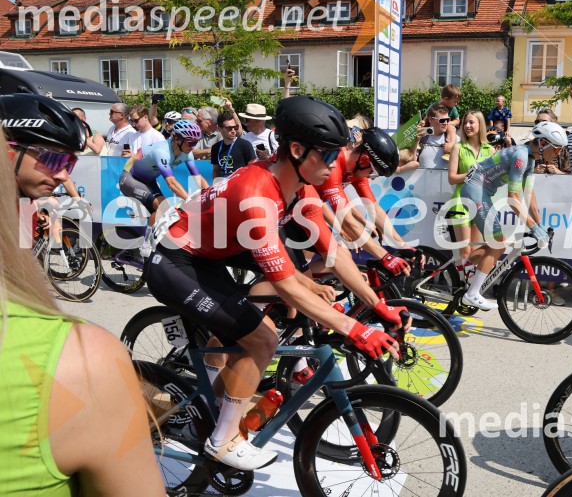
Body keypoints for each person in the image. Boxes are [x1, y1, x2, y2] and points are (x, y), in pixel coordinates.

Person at [144, 95, 400, 470]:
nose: (332, 168)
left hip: (210, 253)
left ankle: (206, 411)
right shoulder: (257, 195)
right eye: (326, 157)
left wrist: (322, 286)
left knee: (262, 322)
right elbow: (283, 282)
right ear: (296, 150)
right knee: (263, 337)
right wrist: (357, 329)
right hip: (175, 260)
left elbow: (325, 249)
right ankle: (223, 440)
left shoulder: (293, 180)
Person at [0, 93, 165, 495]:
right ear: (8, 151)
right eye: (55, 160)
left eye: (70, 163)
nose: (62, 173)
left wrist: (73, 197)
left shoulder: (24, 201)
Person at [459, 121, 569, 310]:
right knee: (499, 241)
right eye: (557, 149)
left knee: (495, 244)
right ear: (543, 144)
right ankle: (472, 293)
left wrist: (540, 225)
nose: (558, 154)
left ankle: (464, 267)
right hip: (475, 189)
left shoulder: (530, 159)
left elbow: (529, 195)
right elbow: (513, 198)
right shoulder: (521, 157)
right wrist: (532, 227)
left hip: (481, 190)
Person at [314, 126, 413, 275]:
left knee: (341, 258)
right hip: (292, 209)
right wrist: (385, 256)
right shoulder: (334, 165)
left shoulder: (357, 172)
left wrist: (403, 246)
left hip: (307, 208)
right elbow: (346, 220)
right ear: (365, 159)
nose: (372, 177)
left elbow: (375, 210)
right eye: (374, 171)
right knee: (334, 262)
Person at [120, 119, 209, 227]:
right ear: (177, 138)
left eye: (196, 142)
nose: (193, 146)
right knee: (164, 207)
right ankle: (147, 243)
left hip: (148, 181)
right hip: (130, 178)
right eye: (190, 142)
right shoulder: (162, 151)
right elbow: (171, 183)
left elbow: (197, 177)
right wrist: (189, 200)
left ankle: (153, 237)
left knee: (164, 212)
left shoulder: (187, 153)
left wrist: (210, 193)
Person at [447, 110, 495, 268]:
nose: (467, 126)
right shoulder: (458, 148)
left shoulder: (490, 150)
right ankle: (462, 287)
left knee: (476, 251)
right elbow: (452, 178)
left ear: (480, 125)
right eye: (465, 122)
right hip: (461, 202)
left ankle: (468, 287)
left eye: (471, 122)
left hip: (481, 201)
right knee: (465, 253)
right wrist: (471, 175)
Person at [211, 111, 256, 180]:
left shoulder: (245, 145)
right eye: (229, 128)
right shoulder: (216, 147)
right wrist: (216, 185)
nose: (233, 131)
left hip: (241, 184)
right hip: (223, 186)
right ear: (220, 129)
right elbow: (216, 170)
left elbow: (253, 168)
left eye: (235, 127)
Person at [417, 103, 453, 169]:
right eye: (442, 120)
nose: (445, 123)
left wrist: (454, 149)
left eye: (447, 120)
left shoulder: (454, 139)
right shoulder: (421, 137)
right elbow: (410, 159)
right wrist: (416, 140)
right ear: (430, 119)